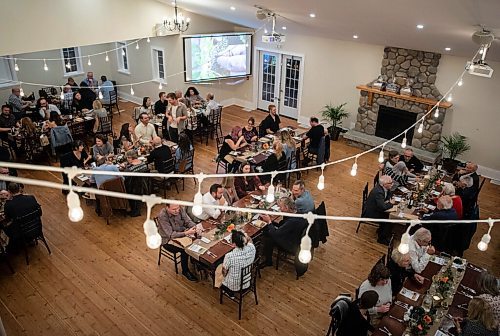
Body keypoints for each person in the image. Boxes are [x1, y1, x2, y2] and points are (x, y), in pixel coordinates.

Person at [259, 197, 308, 272]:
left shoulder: (292, 221)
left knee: (269, 237)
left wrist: (269, 221)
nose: (280, 209)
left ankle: (268, 261)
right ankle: (263, 252)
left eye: (281, 207)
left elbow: (276, 234)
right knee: (269, 228)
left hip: (291, 243)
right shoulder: (297, 212)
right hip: (296, 236)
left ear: (286, 207)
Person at [157, 203, 198, 281]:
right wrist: (186, 233)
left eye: (177, 208)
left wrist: (194, 226)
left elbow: (188, 221)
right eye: (174, 209)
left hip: (180, 233)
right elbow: (171, 235)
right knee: (185, 249)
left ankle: (194, 260)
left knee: (196, 239)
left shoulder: (180, 209)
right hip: (167, 240)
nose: (177, 211)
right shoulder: (162, 216)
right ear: (167, 208)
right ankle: (185, 271)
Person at [221, 230, 256, 296]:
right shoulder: (252, 247)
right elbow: (249, 240)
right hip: (247, 280)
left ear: (234, 244)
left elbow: (224, 273)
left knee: (218, 270)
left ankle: (230, 293)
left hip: (234, 286)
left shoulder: (229, 256)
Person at [363, 175, 396, 245]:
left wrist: (388, 201)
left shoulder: (384, 187)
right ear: (384, 184)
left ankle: (382, 231)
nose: (392, 184)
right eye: (390, 183)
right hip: (372, 212)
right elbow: (383, 207)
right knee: (389, 219)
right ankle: (382, 238)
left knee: (389, 217)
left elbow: (389, 194)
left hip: (376, 208)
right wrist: (391, 203)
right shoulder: (378, 192)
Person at [123, 150, 149, 217]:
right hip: (144, 184)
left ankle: (131, 210)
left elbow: (124, 178)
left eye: (127, 158)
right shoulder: (143, 164)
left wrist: (125, 168)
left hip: (134, 188)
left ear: (130, 158)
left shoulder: (130, 169)